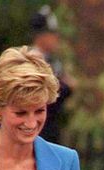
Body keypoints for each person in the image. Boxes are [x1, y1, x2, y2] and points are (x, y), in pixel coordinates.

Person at [30, 4, 75, 144]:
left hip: (51, 125)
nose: (56, 38)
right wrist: (66, 86)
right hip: (35, 128)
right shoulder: (31, 59)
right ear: (41, 36)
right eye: (52, 34)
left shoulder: (53, 60)